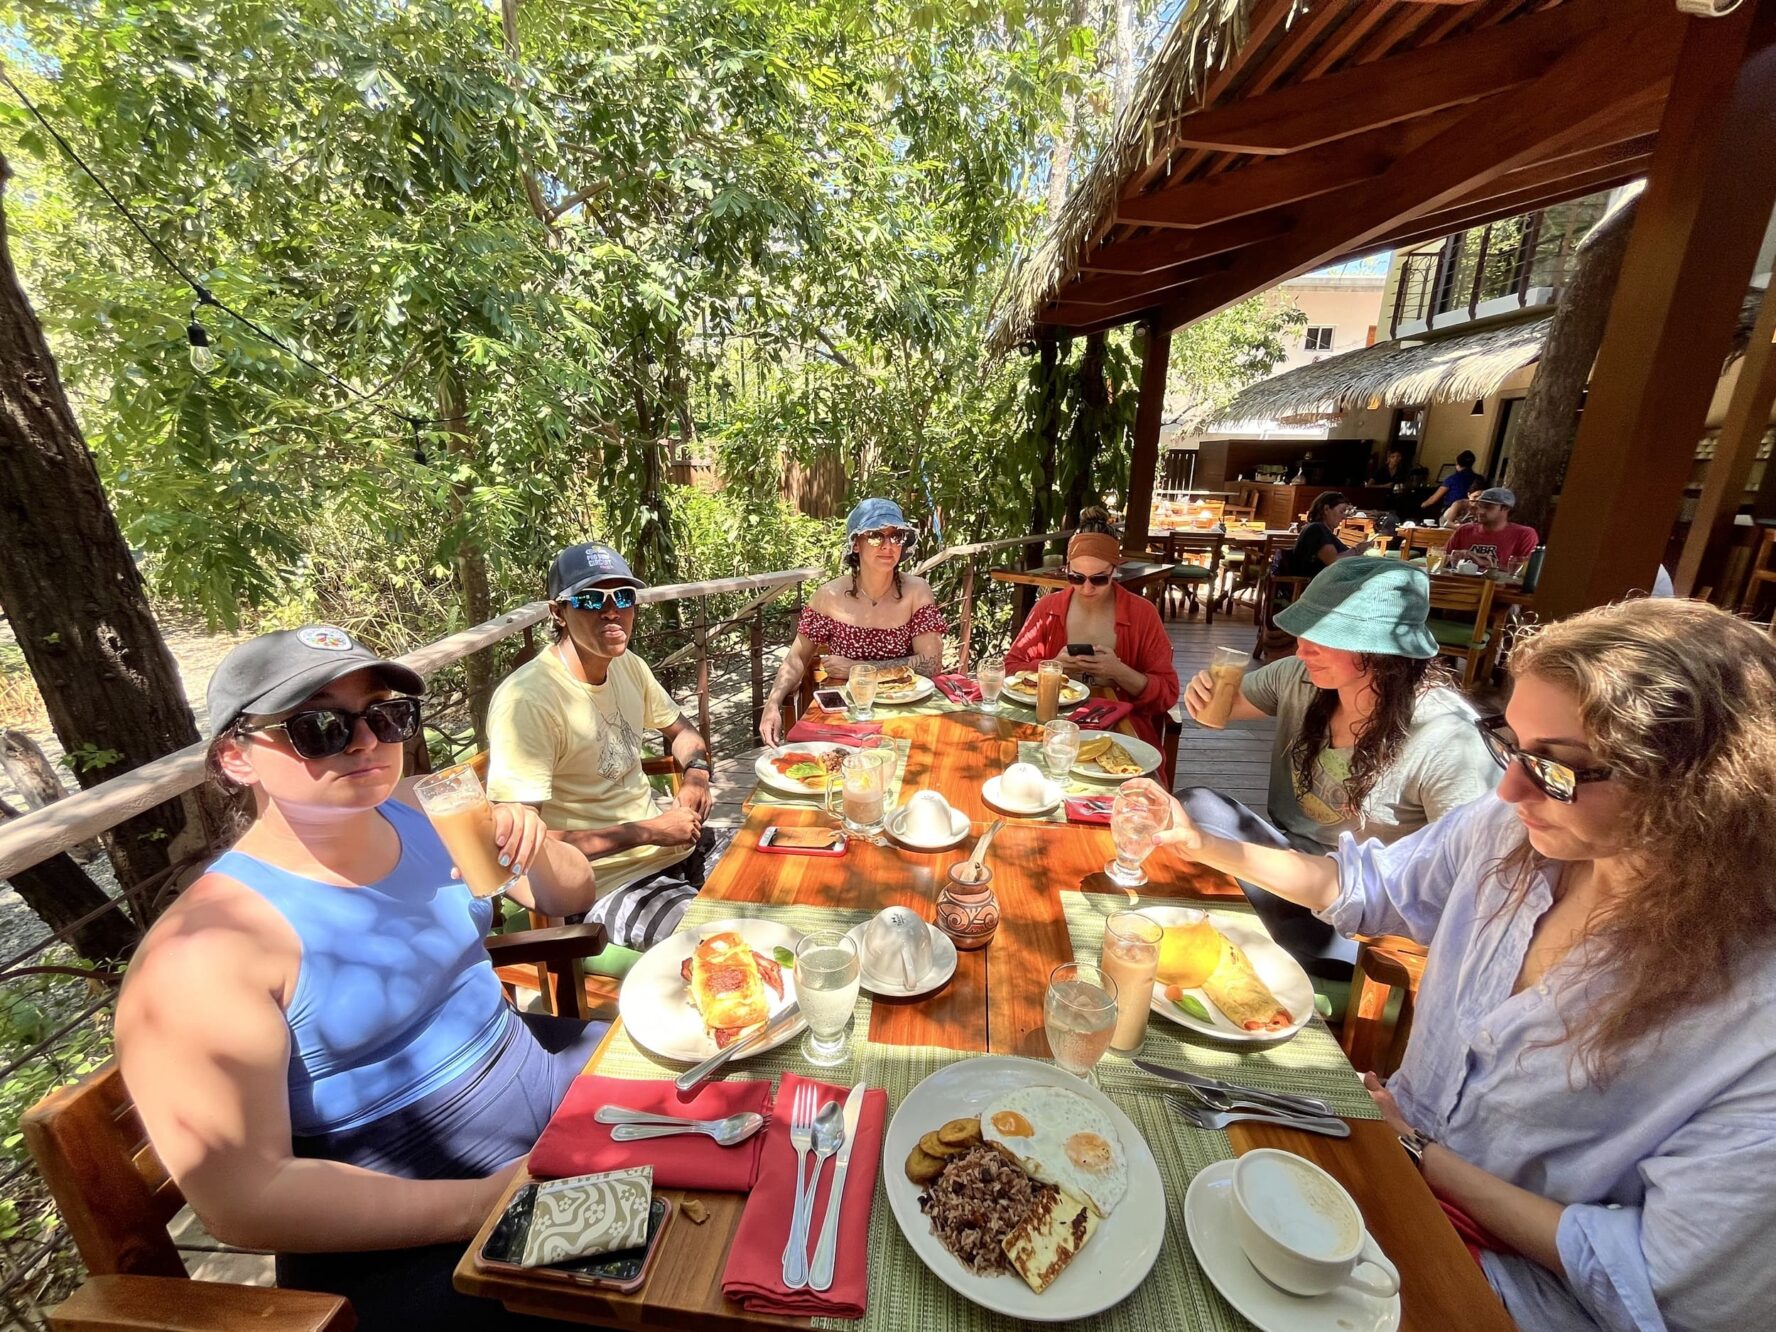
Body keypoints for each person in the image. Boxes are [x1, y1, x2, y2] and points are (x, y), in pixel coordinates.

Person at [1139, 597, 1776, 1331]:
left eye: (1558, 770)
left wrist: (1422, 1154)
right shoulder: (1509, 832)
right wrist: (1204, 845)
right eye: (1512, 745)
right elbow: (1363, 887)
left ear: (1699, 793)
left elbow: (1661, 1283)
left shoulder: (1746, 1014)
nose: (1508, 790)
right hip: (1379, 1163)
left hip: (1509, 1292)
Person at [117, 627, 604, 1329]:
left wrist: (530, 847)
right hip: (401, 1217)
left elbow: (571, 897)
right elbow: (243, 1200)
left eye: (387, 715)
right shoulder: (206, 952)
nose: (365, 742)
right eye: (318, 726)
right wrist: (480, 1203)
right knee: (672, 1278)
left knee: (742, 1108)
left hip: (534, 1077)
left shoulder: (427, 810)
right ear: (236, 756)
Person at [1179, 560, 1496, 978]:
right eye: (1304, 631)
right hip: (1288, 863)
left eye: (1325, 637)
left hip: (1357, 914)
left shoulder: (1447, 739)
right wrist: (1203, 696)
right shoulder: (1300, 678)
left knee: (1214, 877)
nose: (1301, 649)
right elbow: (1216, 714)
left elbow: (1468, 889)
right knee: (1196, 804)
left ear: (1383, 652)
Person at [487, 542, 713, 951]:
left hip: (670, 849)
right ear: (558, 611)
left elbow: (684, 733)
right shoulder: (528, 701)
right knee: (721, 939)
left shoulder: (629, 666)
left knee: (777, 871)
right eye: (591, 599)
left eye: (623, 597)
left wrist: (696, 777)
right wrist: (647, 831)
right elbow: (530, 849)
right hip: (605, 885)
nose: (612, 611)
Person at [758, 497, 946, 745]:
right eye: (876, 536)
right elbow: (796, 658)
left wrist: (857, 669)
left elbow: (931, 664)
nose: (888, 545)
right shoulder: (829, 596)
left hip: (906, 709)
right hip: (847, 715)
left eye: (896, 536)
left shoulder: (916, 591)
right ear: (856, 544)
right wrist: (772, 704)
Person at [1002, 511, 1180, 750]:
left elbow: (1167, 693)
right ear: (1066, 569)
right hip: (1052, 726)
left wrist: (1119, 672)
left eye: (1098, 579)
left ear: (1115, 570)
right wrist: (1053, 667)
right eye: (1076, 577)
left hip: (1120, 731)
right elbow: (1010, 669)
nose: (1086, 588)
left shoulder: (1142, 614)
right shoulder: (1048, 609)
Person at [1444, 487, 1539, 572]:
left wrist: (1484, 563)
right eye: (1480, 506)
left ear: (1505, 508)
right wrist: (1453, 557)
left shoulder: (1525, 534)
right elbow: (1443, 559)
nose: (1480, 511)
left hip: (1499, 589)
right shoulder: (1465, 530)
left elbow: (1524, 572)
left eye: (1488, 507)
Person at [1284, 492, 1372, 576]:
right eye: (1341, 511)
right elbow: (1333, 561)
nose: (1344, 517)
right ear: (1326, 509)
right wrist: (1357, 550)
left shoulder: (1321, 530)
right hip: (1320, 586)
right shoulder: (1316, 529)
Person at [1421, 449, 1486, 518]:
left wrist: (1422, 505)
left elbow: (1433, 499)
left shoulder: (1452, 479)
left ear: (1458, 464)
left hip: (1452, 513)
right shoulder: (1479, 478)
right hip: (1472, 513)